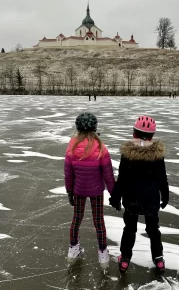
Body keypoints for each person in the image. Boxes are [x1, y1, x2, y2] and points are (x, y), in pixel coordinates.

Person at [109, 116, 169, 273]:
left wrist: (115, 198)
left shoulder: (128, 154)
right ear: (152, 136)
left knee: (130, 228)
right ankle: (159, 258)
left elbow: (122, 179)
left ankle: (125, 259)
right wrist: (165, 195)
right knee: (153, 229)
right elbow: (162, 178)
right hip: (151, 201)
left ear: (134, 133)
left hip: (132, 199)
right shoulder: (157, 155)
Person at [64, 112, 115, 270]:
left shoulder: (71, 147)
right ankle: (102, 253)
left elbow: (68, 173)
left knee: (76, 220)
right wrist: (114, 194)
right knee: (98, 222)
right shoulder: (101, 148)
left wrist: (70, 192)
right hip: (96, 192)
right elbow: (108, 175)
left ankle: (73, 250)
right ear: (94, 128)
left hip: (79, 190)